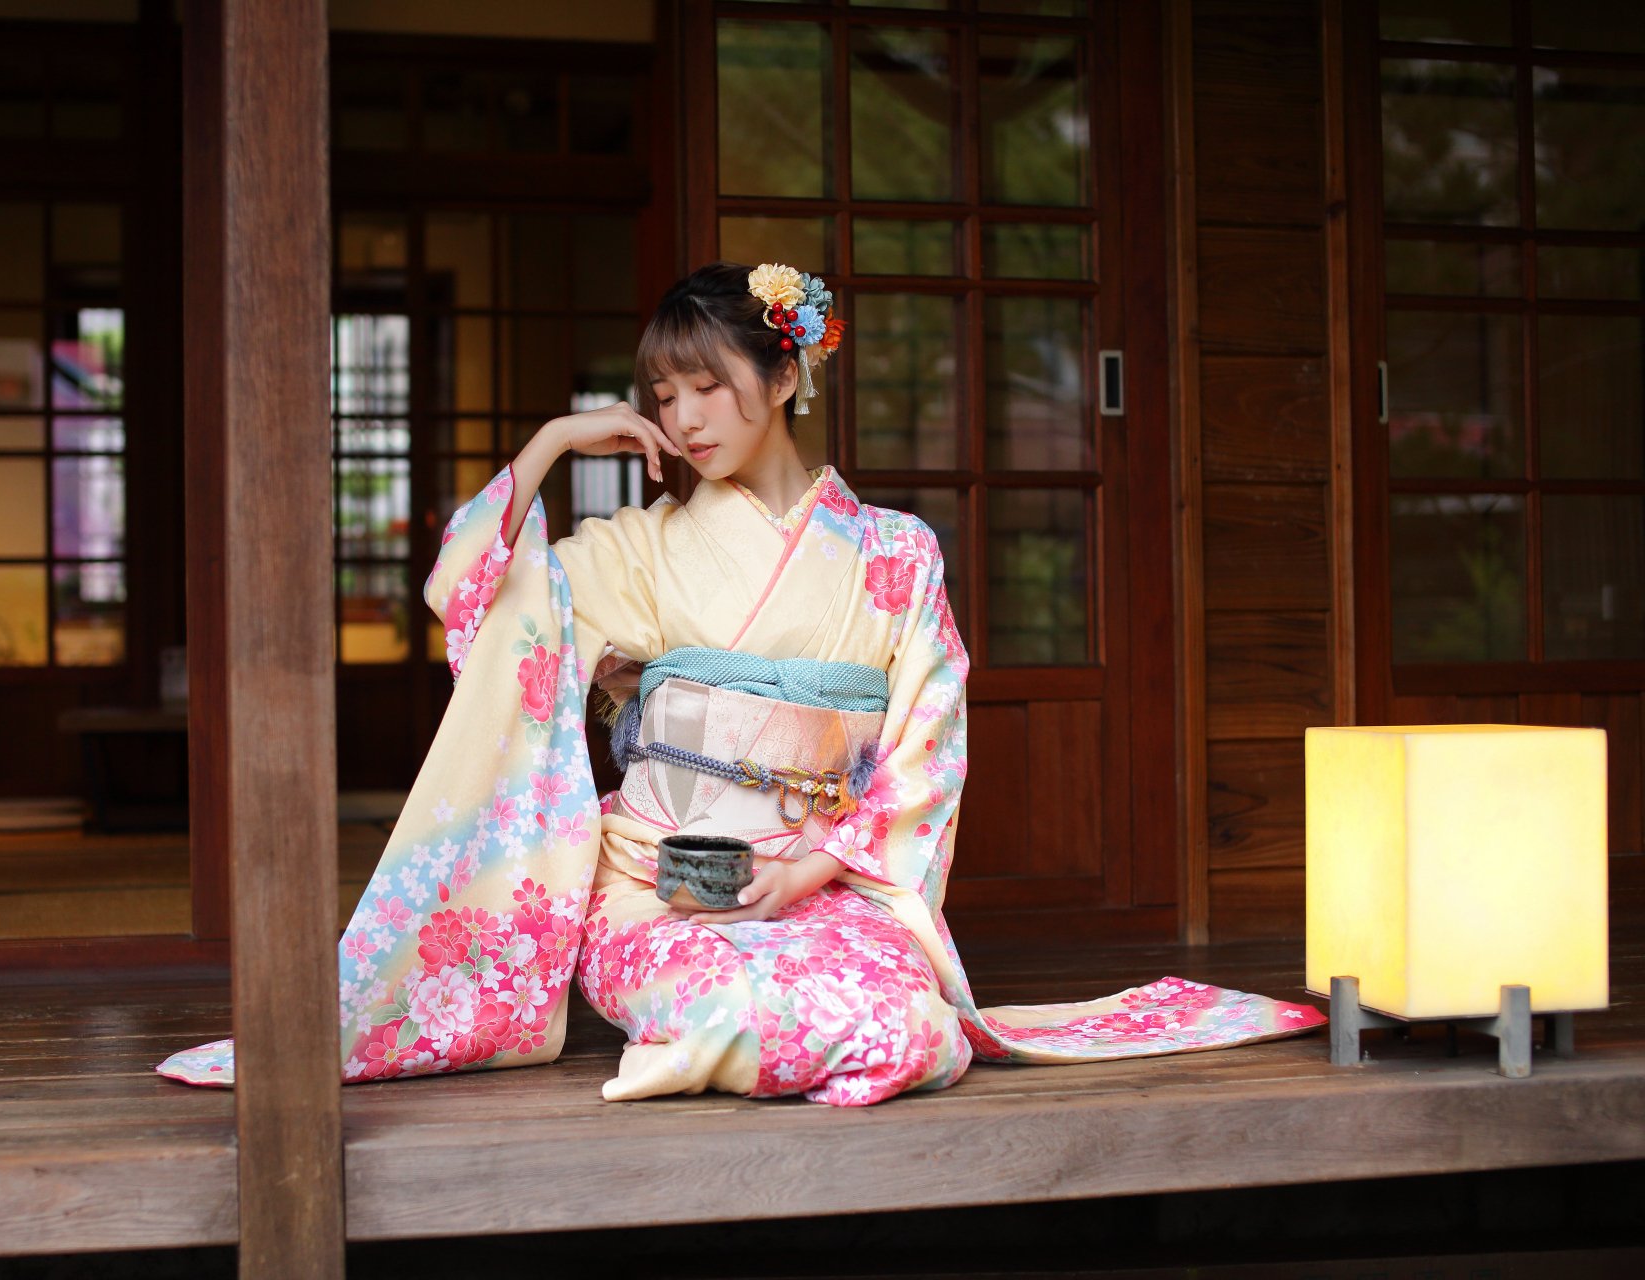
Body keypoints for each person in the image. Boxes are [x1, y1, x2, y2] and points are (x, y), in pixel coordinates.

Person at [157, 262, 1323, 1106]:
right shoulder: (643, 549)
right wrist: (559, 440)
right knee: (738, 995)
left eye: (706, 385)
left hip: (822, 876)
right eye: (663, 397)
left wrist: (818, 866)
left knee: (910, 1030)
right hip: (656, 883)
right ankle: (699, 1029)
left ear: (784, 370)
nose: (681, 416)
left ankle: (715, 1046)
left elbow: (928, 739)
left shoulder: (896, 551)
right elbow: (470, 592)